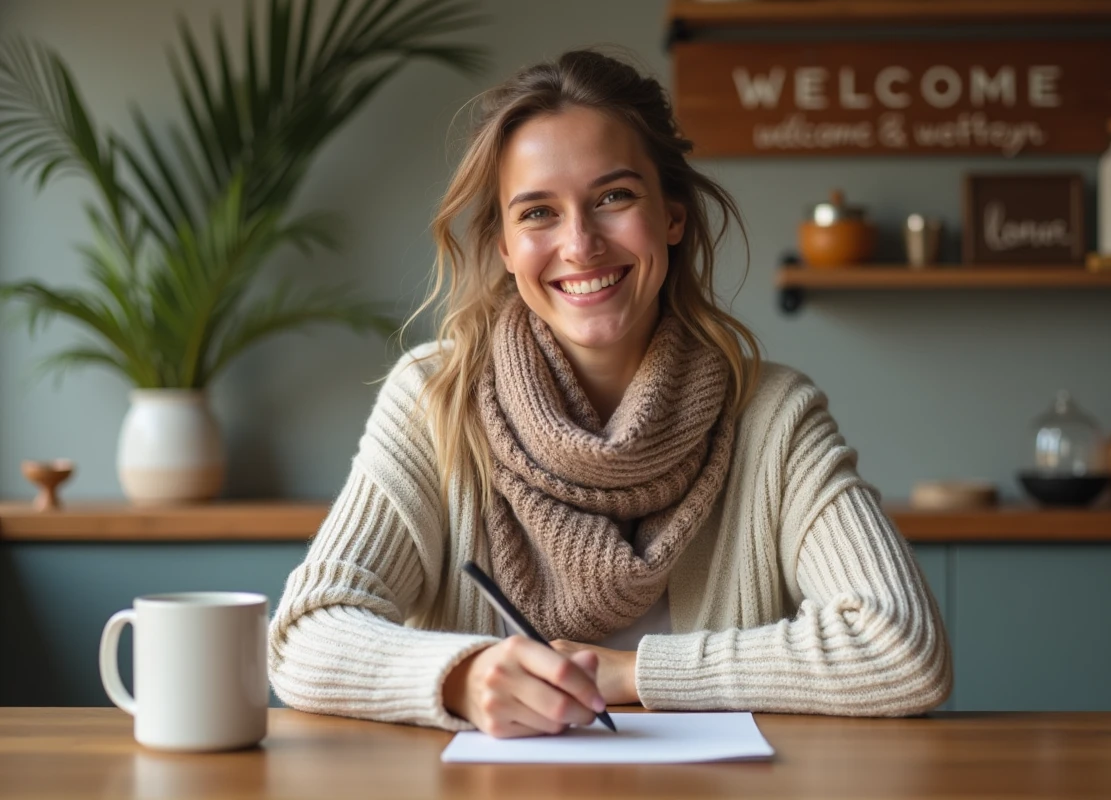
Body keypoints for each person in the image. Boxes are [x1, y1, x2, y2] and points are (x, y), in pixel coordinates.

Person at [268, 49, 952, 739]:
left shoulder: (774, 417)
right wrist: (464, 677)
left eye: (614, 198)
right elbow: (304, 634)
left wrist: (629, 674)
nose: (580, 244)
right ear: (504, 246)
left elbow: (902, 647)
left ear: (672, 218)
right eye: (538, 212)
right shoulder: (433, 396)